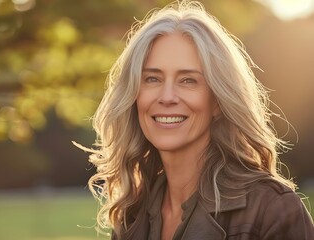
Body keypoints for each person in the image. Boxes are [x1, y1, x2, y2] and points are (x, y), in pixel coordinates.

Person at [77, 1, 314, 239]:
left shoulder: (273, 210)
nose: (167, 97)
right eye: (152, 79)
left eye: (188, 80)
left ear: (218, 101)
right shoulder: (132, 216)